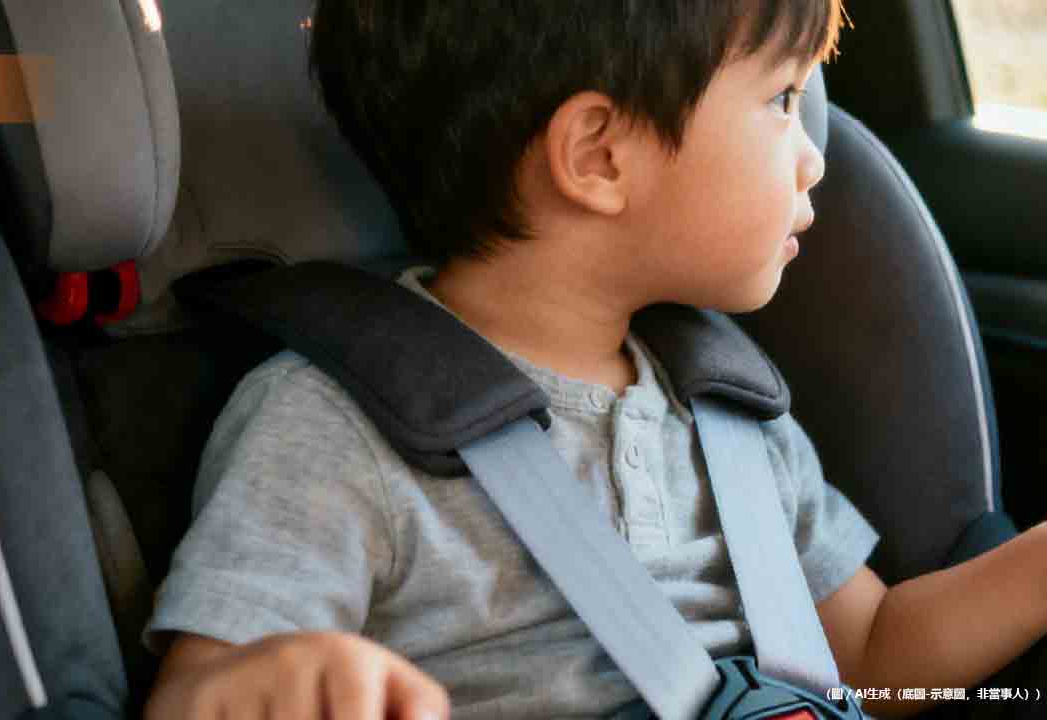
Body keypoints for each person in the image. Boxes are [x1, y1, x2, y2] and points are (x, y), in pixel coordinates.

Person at [142, 2, 1047, 719]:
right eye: (782, 101)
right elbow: (196, 693)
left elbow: (870, 657)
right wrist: (280, 679)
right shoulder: (333, 428)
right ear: (599, 156)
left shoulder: (730, 413)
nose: (814, 159)